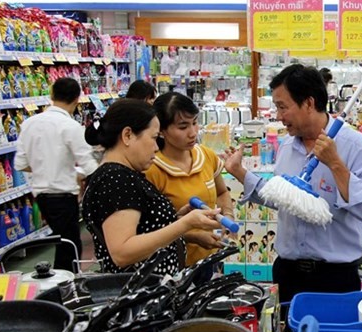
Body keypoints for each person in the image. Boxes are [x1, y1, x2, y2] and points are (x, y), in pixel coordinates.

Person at [224, 64, 362, 303]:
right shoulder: (287, 147)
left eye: (282, 107)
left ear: (308, 103)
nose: (278, 116)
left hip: (335, 278)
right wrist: (239, 172)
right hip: (288, 274)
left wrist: (335, 164)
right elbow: (286, 199)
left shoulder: (356, 146)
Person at [82, 99, 221, 275]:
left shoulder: (122, 175)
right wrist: (186, 224)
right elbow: (122, 252)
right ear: (128, 136)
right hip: (143, 292)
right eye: (154, 138)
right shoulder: (116, 179)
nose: (156, 148)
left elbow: (142, 227)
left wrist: (173, 218)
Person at [14, 77, 98, 271]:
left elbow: (21, 163)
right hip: (63, 195)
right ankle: (66, 289)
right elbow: (88, 164)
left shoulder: (29, 123)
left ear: (51, 95)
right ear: (77, 99)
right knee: (70, 246)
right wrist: (77, 173)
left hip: (41, 195)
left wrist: (47, 169)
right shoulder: (70, 127)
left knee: (64, 243)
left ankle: (60, 283)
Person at [145, 92, 234, 266]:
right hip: (174, 265)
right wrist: (192, 236)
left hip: (211, 258)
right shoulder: (152, 169)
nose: (193, 132)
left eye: (194, 123)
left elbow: (222, 192)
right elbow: (149, 230)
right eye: (183, 127)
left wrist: (228, 217)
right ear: (161, 131)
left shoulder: (206, 156)